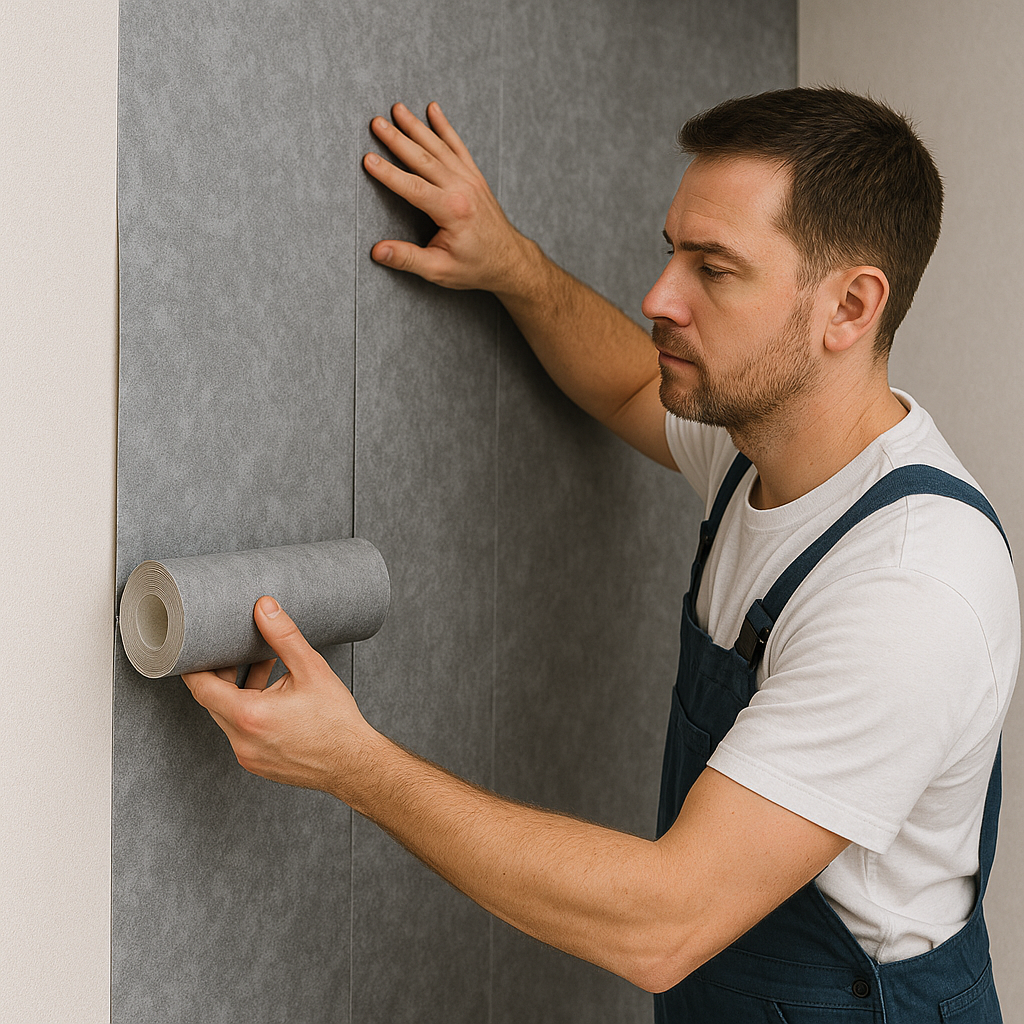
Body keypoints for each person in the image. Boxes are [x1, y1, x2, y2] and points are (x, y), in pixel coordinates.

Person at [184, 88, 1018, 1021]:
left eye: (715, 268)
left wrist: (352, 762)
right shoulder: (761, 446)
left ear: (850, 306)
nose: (661, 297)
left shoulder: (912, 590)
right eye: (673, 253)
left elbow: (665, 923)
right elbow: (630, 383)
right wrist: (511, 264)